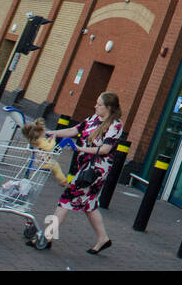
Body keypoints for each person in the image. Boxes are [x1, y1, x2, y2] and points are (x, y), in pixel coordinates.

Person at [30, 93, 123, 254]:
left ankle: (47, 236)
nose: (96, 107)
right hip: (85, 166)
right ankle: (103, 239)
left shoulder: (115, 125)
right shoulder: (94, 118)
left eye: (99, 105)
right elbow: (75, 129)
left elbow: (106, 149)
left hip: (96, 170)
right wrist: (53, 133)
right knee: (89, 204)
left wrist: (80, 148)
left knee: (67, 198)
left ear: (108, 108)